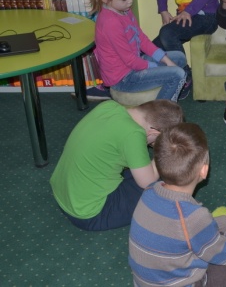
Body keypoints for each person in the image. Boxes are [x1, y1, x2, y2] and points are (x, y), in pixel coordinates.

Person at [129, 123, 226, 287]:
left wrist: (224, 221)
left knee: (205, 239)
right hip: (186, 283)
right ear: (204, 171)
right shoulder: (193, 217)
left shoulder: (149, 191)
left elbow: (180, 231)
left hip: (146, 282)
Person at [50, 99, 184, 231]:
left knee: (138, 168)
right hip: (91, 214)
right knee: (165, 179)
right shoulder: (133, 134)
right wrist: (163, 152)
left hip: (65, 195)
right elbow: (147, 182)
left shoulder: (108, 106)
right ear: (154, 132)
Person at [88, 0, 188, 101]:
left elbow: (141, 39)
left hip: (135, 64)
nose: (130, 1)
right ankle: (161, 110)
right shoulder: (110, 23)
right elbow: (129, 60)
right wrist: (155, 67)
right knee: (178, 74)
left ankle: (163, 88)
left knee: (179, 57)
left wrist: (164, 59)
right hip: (123, 79)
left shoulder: (124, 10)